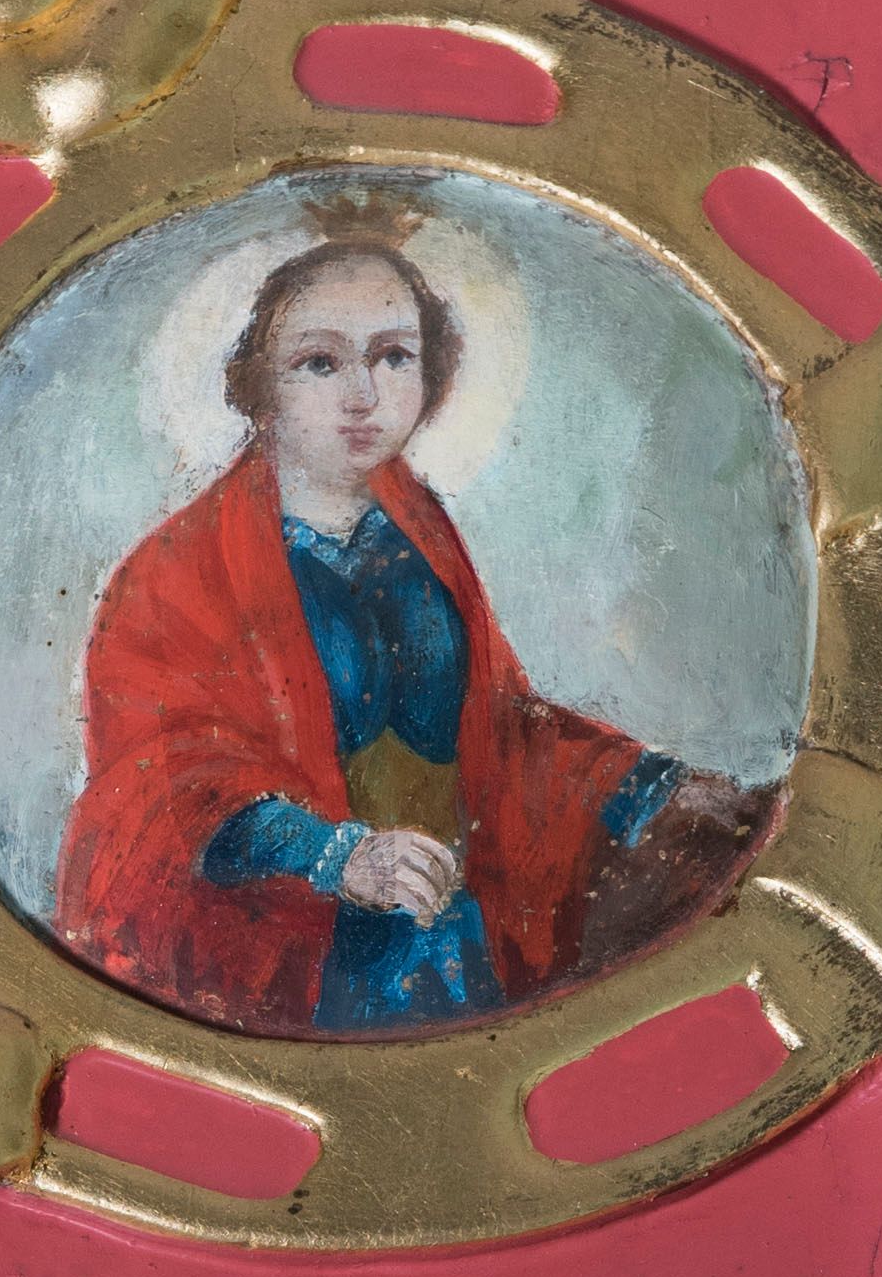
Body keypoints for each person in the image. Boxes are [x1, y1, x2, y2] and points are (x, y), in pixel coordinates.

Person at [56, 208, 762, 1034]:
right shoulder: (178, 570)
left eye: (394, 356)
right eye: (320, 362)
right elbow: (162, 780)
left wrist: (650, 785)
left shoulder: (419, 531)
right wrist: (336, 855)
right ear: (259, 384)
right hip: (300, 954)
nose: (364, 396)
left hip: (449, 932)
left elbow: (499, 730)